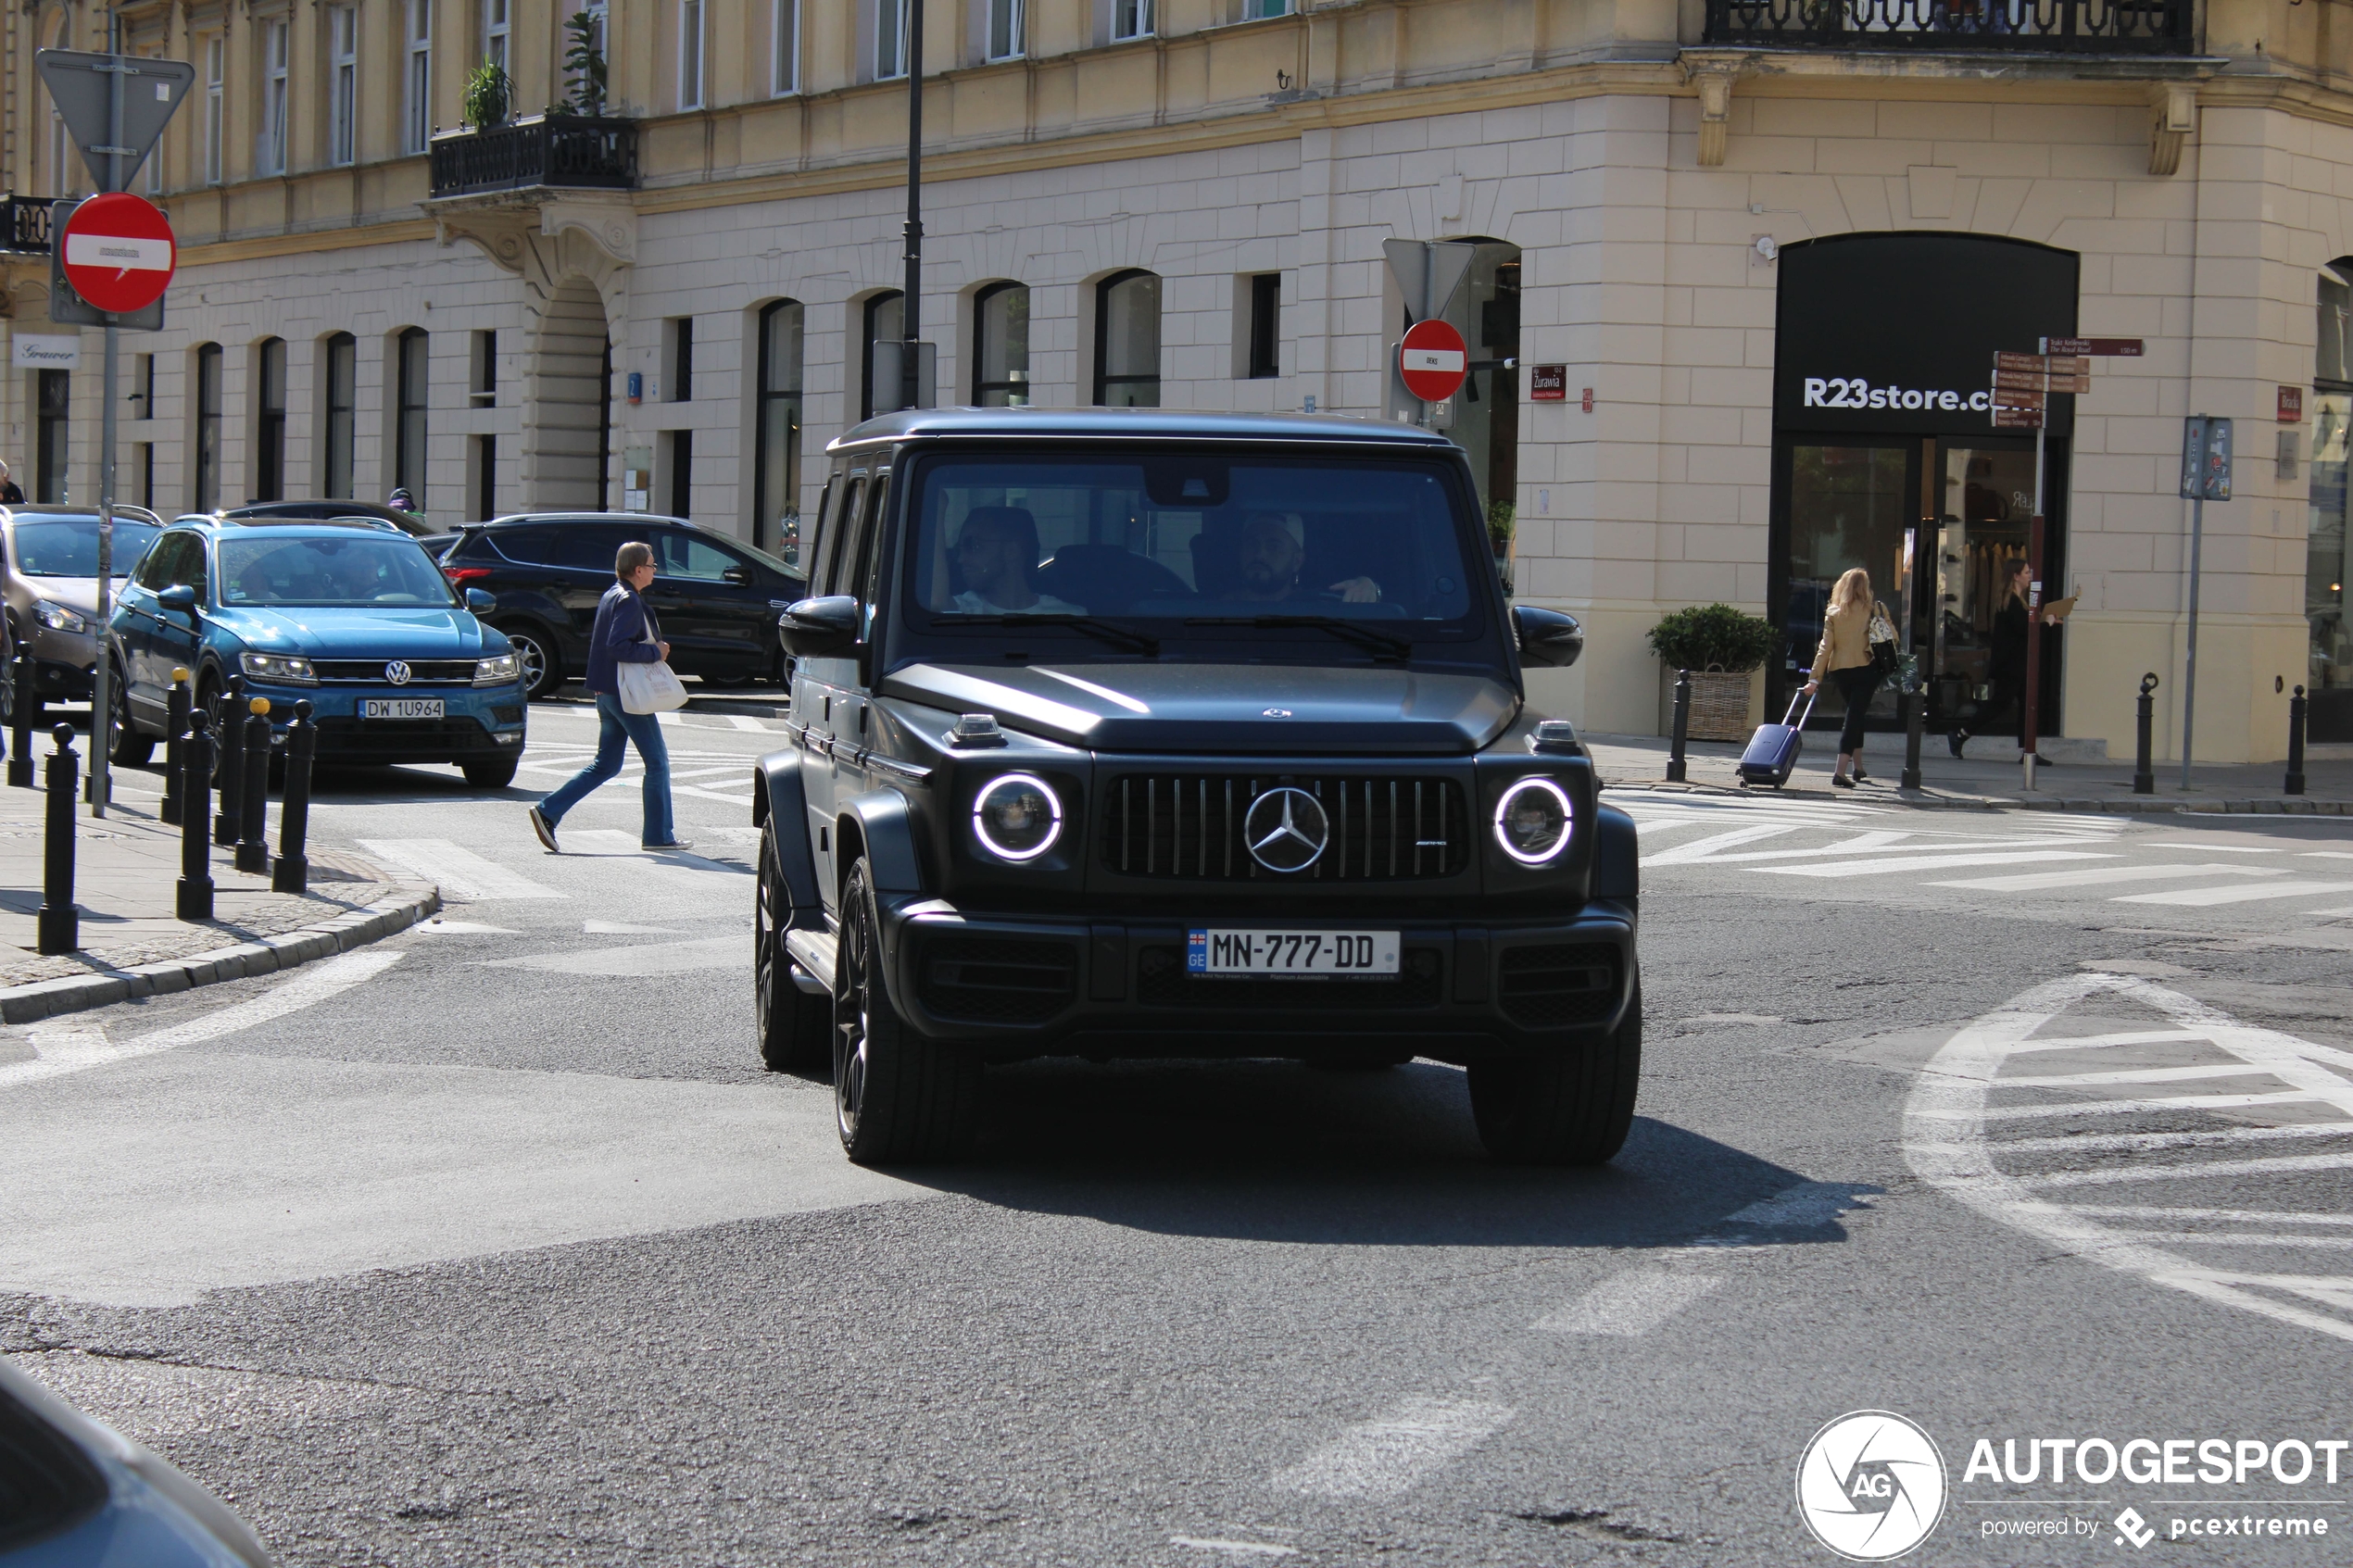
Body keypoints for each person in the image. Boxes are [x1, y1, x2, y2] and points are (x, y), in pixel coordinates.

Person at [528, 541, 689, 852]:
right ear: (638, 569)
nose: (655, 570)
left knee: (606, 764)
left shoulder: (611, 594)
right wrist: (656, 651)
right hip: (626, 693)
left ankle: (548, 811)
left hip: (607, 692)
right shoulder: (628, 600)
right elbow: (617, 647)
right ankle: (658, 836)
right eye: (652, 565)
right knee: (657, 763)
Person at [1802, 567, 1882, 789]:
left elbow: (1825, 647)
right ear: (1864, 587)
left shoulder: (1834, 612)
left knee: (1855, 713)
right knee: (1854, 717)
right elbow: (1891, 637)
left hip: (1840, 670)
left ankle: (1858, 767)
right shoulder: (1875, 610)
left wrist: (1814, 678)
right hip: (1867, 668)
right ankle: (1840, 772)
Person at [1953, 558, 2032, 759]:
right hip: (2011, 664)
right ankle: (1960, 734)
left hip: (2015, 663)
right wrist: (2045, 622)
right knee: (2000, 704)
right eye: (2026, 572)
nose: (2029, 576)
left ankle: (2027, 751)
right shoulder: (2012, 602)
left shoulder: (2015, 600)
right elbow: (2024, 629)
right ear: (2015, 576)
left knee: (2026, 704)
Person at [950, 506, 1080, 614]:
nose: (961, 559)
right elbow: (937, 603)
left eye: (973, 546)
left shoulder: (1069, 617)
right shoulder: (960, 609)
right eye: (958, 550)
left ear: (1011, 551)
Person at [1229, 512, 1379, 604]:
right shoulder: (1216, 610)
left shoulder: (1315, 607)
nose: (1259, 554)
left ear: (1297, 561)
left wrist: (1367, 587)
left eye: (1273, 546)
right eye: (1251, 544)